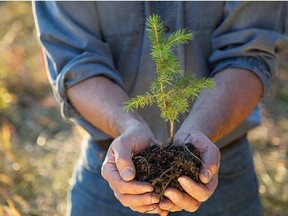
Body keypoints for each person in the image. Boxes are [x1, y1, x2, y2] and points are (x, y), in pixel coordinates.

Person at [33, 2, 288, 216]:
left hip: (222, 170)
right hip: (113, 170)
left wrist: (198, 133)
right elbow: (76, 63)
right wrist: (129, 126)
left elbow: (249, 54)